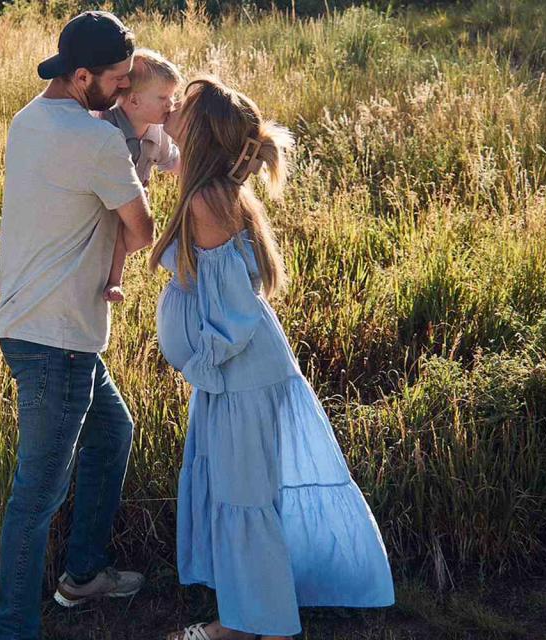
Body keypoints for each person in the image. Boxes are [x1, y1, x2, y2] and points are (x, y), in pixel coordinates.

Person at [153, 77, 395, 640]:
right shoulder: (214, 190)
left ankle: (248, 627)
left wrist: (203, 365)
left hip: (238, 376)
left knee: (244, 501)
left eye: (182, 107)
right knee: (241, 495)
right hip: (239, 377)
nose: (174, 110)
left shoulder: (208, 202)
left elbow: (233, 313)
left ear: (200, 133)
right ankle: (247, 616)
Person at [0, 11, 155, 640]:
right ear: (81, 75)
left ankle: (83, 574)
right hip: (56, 339)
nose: (120, 92)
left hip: (32, 324)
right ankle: (16, 630)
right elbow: (140, 231)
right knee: (36, 497)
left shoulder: (26, 121)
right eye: (115, 81)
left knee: (113, 432)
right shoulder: (96, 142)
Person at [97, 48, 183, 303]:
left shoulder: (159, 133)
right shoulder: (105, 125)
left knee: (131, 233)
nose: (171, 104)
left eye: (173, 96)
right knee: (111, 231)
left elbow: (174, 163)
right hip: (103, 197)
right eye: (163, 97)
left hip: (133, 199)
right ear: (134, 101)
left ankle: (111, 275)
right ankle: (113, 281)